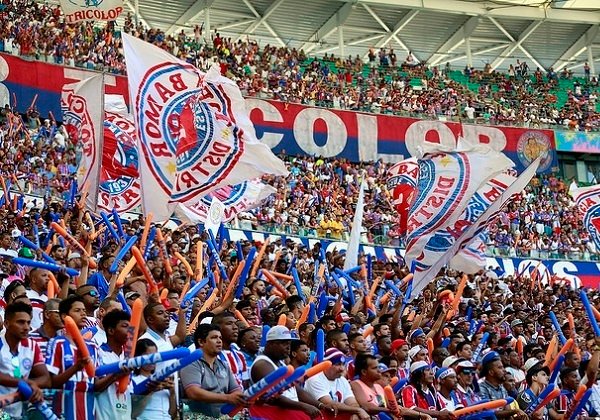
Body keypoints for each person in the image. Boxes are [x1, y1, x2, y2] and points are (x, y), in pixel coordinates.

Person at [45, 295, 100, 419]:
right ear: (65, 316)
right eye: (77, 310)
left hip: (89, 414)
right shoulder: (57, 343)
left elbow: (96, 383)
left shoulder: (93, 346)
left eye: (84, 310)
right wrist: (76, 368)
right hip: (63, 413)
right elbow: (51, 382)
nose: (83, 314)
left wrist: (116, 374)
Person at [251, 325, 322, 418]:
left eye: (289, 343)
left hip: (288, 413)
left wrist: (320, 405)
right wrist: (303, 406)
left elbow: (296, 390)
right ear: (270, 344)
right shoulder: (262, 364)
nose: (288, 347)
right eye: (284, 343)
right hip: (271, 415)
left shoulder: (281, 363)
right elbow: (274, 397)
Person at [180, 324, 246, 417]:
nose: (219, 341)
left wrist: (239, 398)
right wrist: (227, 398)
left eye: (220, 338)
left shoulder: (224, 365)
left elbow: (236, 390)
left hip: (223, 416)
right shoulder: (191, 363)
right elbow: (193, 392)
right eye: (214, 338)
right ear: (201, 342)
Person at [0, 302, 51, 419]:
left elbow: (46, 379)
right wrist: (26, 383)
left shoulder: (32, 345)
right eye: (21, 322)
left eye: (28, 322)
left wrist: (34, 386)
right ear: (7, 324)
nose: (26, 327)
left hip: (19, 412)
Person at [304, 347, 370, 419]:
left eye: (343, 364)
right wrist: (358, 410)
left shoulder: (342, 380)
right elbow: (331, 404)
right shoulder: (315, 379)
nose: (342, 368)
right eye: (337, 364)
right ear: (327, 365)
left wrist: (355, 414)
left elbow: (352, 403)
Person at [95, 310, 135, 419]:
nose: (130, 331)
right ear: (111, 330)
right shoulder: (99, 353)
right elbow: (95, 386)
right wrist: (115, 375)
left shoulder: (129, 358)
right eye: (125, 326)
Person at [131, 338, 176, 419]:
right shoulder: (133, 381)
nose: (152, 360)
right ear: (138, 357)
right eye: (148, 356)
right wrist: (151, 390)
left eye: (155, 356)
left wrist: (172, 392)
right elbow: (134, 413)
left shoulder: (162, 379)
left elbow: (172, 414)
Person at [478, 351, 527, 419]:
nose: (504, 370)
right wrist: (515, 411)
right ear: (491, 372)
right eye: (500, 368)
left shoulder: (501, 387)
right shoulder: (481, 387)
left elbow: (507, 411)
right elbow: (491, 414)